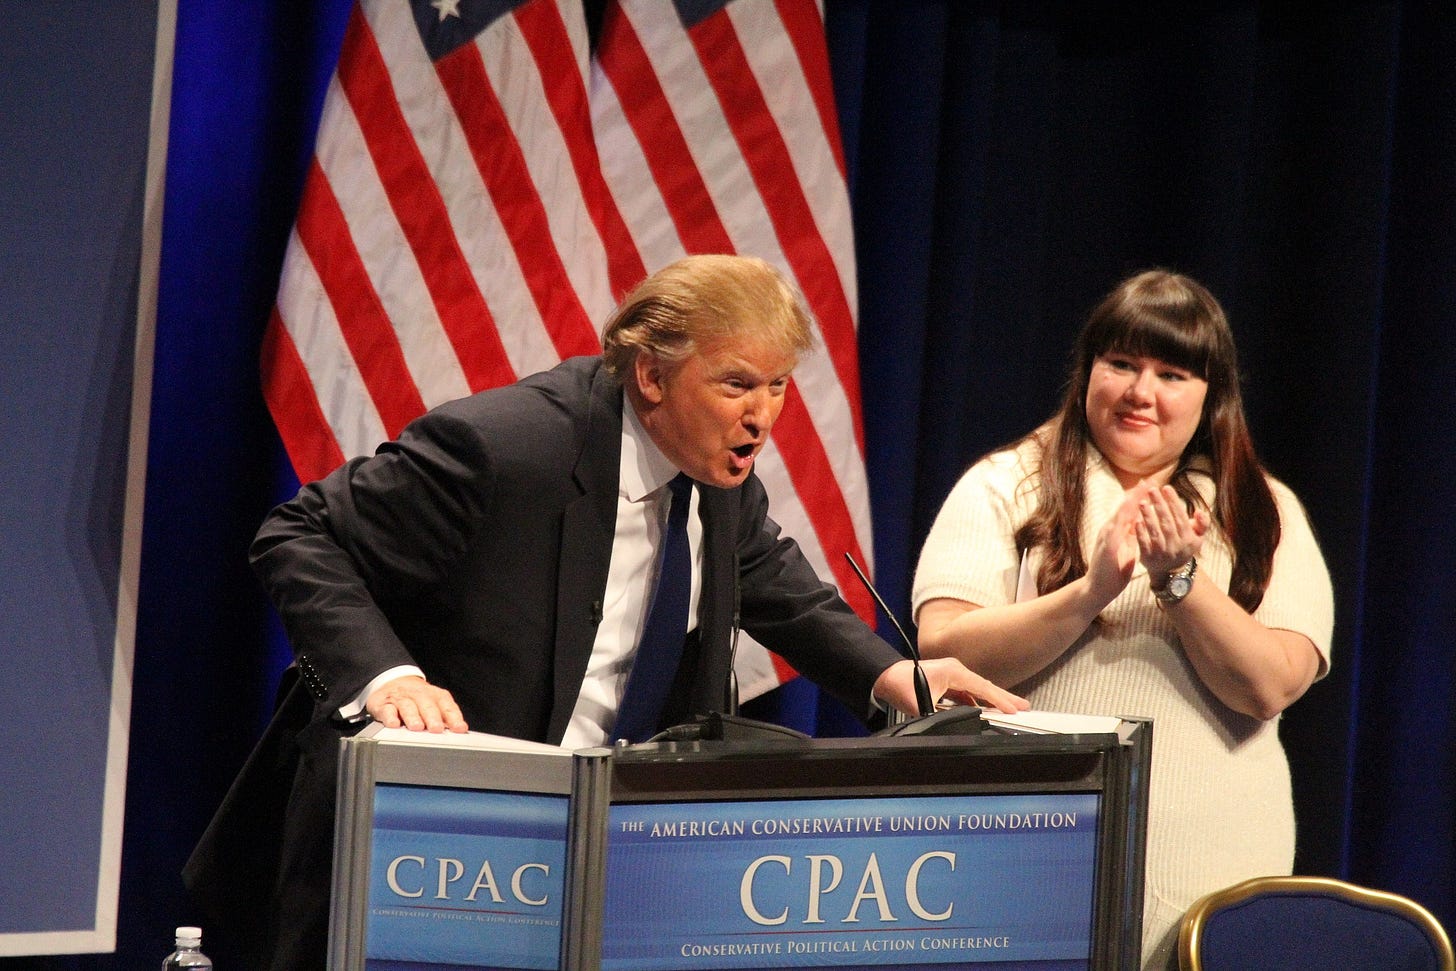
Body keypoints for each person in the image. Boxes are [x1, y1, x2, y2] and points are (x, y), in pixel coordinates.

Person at [185, 254, 1026, 971]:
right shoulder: (507, 447)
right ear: (652, 375)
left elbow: (772, 579)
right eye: (737, 383)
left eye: (776, 385)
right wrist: (385, 673)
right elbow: (298, 533)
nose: (762, 414)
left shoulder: (720, 475)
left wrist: (897, 675)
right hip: (426, 841)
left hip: (594, 846)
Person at [911, 269, 1333, 969]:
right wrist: (1091, 591)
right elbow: (945, 651)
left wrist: (1181, 582)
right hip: (1021, 865)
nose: (1141, 391)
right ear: (1088, 373)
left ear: (1211, 397)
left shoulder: (1263, 508)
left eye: (1172, 373)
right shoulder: (1007, 482)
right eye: (1122, 364)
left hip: (1212, 883)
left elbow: (1270, 684)